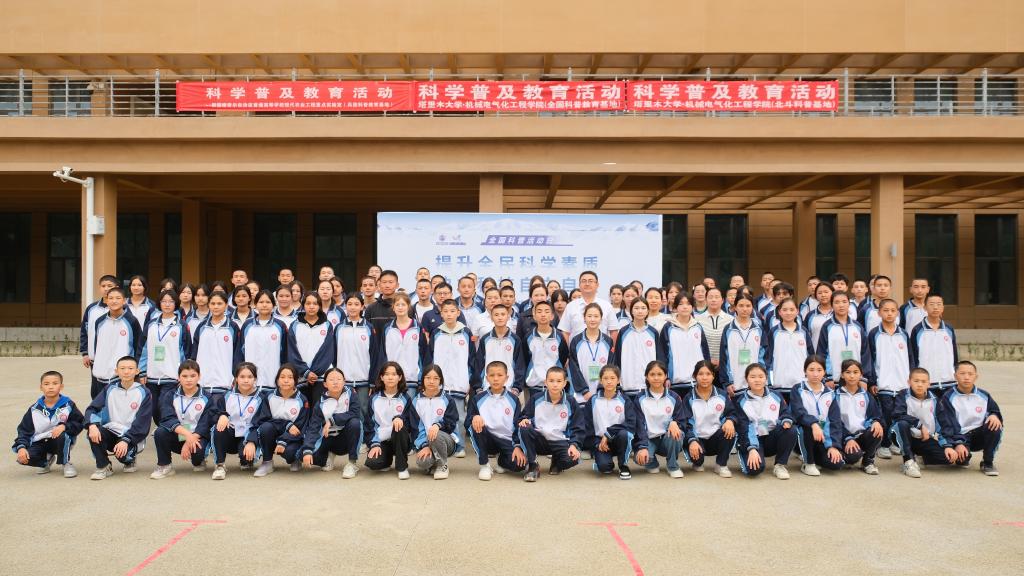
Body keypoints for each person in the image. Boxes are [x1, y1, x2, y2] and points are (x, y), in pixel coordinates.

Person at [85, 356, 153, 480]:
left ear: (137, 371)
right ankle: (104, 466)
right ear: (116, 371)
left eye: (130, 368)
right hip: (111, 431)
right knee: (94, 432)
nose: (126, 371)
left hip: (131, 436)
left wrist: (126, 440)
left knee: (123, 456)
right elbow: (92, 409)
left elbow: (142, 421)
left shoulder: (144, 392)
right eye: (122, 368)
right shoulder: (109, 389)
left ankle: (129, 460)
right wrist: (92, 425)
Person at [150, 360, 217, 479]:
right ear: (178, 377)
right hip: (179, 433)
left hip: (197, 436)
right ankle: (165, 465)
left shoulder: (207, 397)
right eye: (184, 376)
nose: (188, 380)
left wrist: (191, 438)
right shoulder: (170, 395)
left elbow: (206, 422)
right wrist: (187, 435)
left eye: (192, 376)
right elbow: (167, 418)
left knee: (197, 457)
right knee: (160, 432)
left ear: (199, 376)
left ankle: (199, 460)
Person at [12, 370, 84, 478]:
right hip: (40, 442)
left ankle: (66, 463)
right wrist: (21, 447)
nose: (50, 387)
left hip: (60, 440)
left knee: (62, 435)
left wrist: (64, 426)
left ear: (61, 386)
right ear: (41, 387)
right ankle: (45, 461)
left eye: (55, 383)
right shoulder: (34, 409)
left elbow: (79, 422)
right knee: (23, 458)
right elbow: (24, 430)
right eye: (46, 384)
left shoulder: (68, 405)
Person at [517, 366, 584, 481]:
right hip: (540, 440)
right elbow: (524, 416)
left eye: (559, 381)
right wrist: (524, 419)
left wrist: (574, 445)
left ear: (565, 383)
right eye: (551, 381)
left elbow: (578, 426)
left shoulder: (571, 401)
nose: (555, 384)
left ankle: (556, 461)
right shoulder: (536, 398)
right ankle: (533, 465)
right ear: (545, 382)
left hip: (560, 441)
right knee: (524, 427)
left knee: (573, 459)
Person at [937, 361, 1003, 476]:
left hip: (979, 435)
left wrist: (994, 415)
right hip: (960, 436)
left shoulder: (984, 395)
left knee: (995, 426)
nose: (966, 377)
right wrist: (958, 443)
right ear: (955, 376)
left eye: (970, 374)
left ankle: (987, 462)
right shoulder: (948, 397)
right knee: (960, 461)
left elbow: (994, 410)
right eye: (962, 373)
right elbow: (948, 424)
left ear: (976, 376)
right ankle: (965, 455)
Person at [582, 365, 648, 480]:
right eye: (605, 378)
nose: (609, 381)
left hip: (619, 439)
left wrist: (609, 433)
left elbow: (630, 424)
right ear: (600, 380)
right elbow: (587, 427)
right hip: (600, 442)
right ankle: (602, 461)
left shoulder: (625, 400)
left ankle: (623, 466)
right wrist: (596, 444)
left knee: (624, 434)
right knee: (605, 468)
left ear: (618, 380)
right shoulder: (593, 401)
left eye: (612, 378)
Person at [890, 367, 956, 479]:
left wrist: (947, 445)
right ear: (909, 382)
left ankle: (918, 459)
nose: (920, 385)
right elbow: (897, 415)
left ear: (929, 384)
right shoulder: (903, 395)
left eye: (923, 382)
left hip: (924, 438)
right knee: (902, 424)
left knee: (948, 458)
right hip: (903, 435)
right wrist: (919, 425)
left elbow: (944, 424)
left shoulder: (935, 400)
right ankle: (908, 461)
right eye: (916, 381)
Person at [468, 361, 528, 480]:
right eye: (492, 375)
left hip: (507, 440)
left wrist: (517, 446)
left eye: (500, 375)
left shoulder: (514, 399)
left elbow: (517, 424)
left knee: (520, 464)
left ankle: (502, 461)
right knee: (476, 425)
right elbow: (467, 421)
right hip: (487, 439)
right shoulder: (478, 398)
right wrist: (474, 417)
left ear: (507, 378)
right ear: (487, 378)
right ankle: (484, 465)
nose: (496, 379)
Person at [867, 298, 911, 460]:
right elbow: (870, 359)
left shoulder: (903, 334)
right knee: (884, 415)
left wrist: (911, 378)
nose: (889, 314)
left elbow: (910, 358)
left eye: (893, 310)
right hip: (883, 383)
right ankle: (884, 444)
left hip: (902, 383)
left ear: (897, 313)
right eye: (886, 310)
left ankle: (895, 442)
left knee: (899, 414)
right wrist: (872, 381)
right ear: (879, 313)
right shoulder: (874, 334)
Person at [734, 363, 796, 479]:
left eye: (761, 376)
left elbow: (785, 412)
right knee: (754, 470)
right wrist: (752, 448)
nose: (757, 380)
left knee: (791, 430)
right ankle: (745, 451)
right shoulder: (740, 401)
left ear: (766, 378)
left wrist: (786, 421)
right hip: (753, 438)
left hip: (771, 437)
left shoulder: (776, 395)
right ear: (747, 379)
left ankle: (780, 465)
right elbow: (744, 428)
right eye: (753, 377)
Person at [139, 289, 191, 425]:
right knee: (154, 409)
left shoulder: (181, 325)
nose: (167, 304)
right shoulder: (151, 324)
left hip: (172, 376)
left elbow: (186, 352)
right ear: (159, 303)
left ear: (176, 304)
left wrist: (184, 374)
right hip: (152, 375)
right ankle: (163, 429)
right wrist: (142, 371)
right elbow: (143, 349)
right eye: (164, 301)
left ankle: (166, 431)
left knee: (165, 406)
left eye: (171, 301)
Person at [301, 367, 362, 479]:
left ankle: (352, 463)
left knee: (355, 423)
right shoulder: (321, 403)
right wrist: (307, 449)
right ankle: (329, 455)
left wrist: (332, 420)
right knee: (304, 456)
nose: (335, 382)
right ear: (325, 384)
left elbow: (355, 413)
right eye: (331, 379)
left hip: (346, 439)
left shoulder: (351, 394)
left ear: (344, 381)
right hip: (328, 439)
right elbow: (313, 427)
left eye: (338, 379)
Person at [249, 364, 309, 477]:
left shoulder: (302, 400)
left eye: (290, 377)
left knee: (290, 452)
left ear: (295, 380)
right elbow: (263, 420)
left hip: (292, 438)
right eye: (282, 377)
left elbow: (300, 428)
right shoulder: (269, 396)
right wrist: (287, 425)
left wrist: (283, 441)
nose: (286, 380)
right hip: (272, 433)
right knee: (266, 427)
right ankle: (267, 462)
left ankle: (294, 459)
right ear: (277, 380)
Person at [788, 356, 843, 476]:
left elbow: (835, 421)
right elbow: (799, 413)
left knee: (836, 464)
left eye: (819, 370)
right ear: (805, 371)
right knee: (806, 428)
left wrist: (832, 446)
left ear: (824, 372)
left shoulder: (830, 394)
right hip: (803, 434)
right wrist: (813, 423)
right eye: (811, 370)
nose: (815, 374)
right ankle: (808, 463)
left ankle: (815, 456)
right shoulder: (797, 389)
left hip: (823, 437)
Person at [681, 361, 736, 478]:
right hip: (697, 439)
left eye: (708, 374)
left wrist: (730, 420)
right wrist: (692, 440)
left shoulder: (722, 395)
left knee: (730, 430)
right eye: (700, 374)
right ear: (695, 376)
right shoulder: (689, 398)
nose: (704, 377)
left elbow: (731, 413)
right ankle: (697, 461)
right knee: (698, 462)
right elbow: (685, 423)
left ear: (713, 376)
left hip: (716, 437)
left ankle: (721, 464)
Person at [211, 362, 263, 480]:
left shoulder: (260, 399)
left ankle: (245, 460)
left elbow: (259, 423)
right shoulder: (227, 396)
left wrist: (252, 441)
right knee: (218, 427)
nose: (246, 380)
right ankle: (220, 465)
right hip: (230, 433)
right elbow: (213, 414)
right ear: (236, 379)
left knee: (247, 459)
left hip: (247, 435)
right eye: (242, 377)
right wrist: (222, 415)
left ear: (255, 379)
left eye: (250, 377)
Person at [88, 287, 143, 399]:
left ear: (124, 301)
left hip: (122, 374)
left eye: (118, 298)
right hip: (101, 373)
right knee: (99, 404)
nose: (114, 301)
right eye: (111, 298)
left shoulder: (132, 321)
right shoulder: (100, 321)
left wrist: (137, 370)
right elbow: (97, 346)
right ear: (106, 300)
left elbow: (139, 346)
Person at [334, 293, 380, 423]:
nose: (353, 307)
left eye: (356, 304)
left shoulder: (369, 328)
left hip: (363, 379)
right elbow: (334, 354)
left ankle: (363, 435)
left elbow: (374, 355)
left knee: (363, 409)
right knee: (344, 410)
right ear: (345, 306)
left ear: (362, 306)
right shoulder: (339, 328)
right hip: (344, 379)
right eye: (349, 304)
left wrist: (372, 381)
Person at [408, 364, 460, 480]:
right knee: (423, 462)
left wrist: (438, 425)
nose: (431, 381)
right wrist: (425, 445)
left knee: (435, 434)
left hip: (445, 441)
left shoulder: (447, 399)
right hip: (425, 441)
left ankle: (442, 465)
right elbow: (415, 428)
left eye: (436, 378)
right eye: (428, 378)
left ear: (440, 380)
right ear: (423, 379)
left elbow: (451, 422)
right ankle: (433, 463)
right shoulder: (416, 401)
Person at [833, 359, 884, 475]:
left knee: (877, 430)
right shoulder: (835, 396)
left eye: (855, 372)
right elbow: (835, 422)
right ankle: (846, 454)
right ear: (842, 375)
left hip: (862, 435)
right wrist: (848, 438)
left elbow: (875, 415)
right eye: (848, 372)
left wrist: (875, 421)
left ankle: (868, 462)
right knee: (852, 458)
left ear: (861, 375)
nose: (852, 376)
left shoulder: (866, 396)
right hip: (843, 437)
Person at [363, 361, 412, 480]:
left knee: (399, 426)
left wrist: (400, 418)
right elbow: (369, 425)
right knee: (373, 463)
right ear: (381, 377)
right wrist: (374, 444)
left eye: (394, 374)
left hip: (400, 439)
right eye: (386, 374)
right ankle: (386, 459)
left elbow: (410, 422)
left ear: (399, 377)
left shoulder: (405, 398)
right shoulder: (374, 399)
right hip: (382, 440)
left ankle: (402, 467)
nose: (390, 377)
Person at [635, 361, 685, 478]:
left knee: (677, 433)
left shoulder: (674, 397)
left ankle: (673, 466)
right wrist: (642, 447)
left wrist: (674, 423)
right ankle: (651, 462)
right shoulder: (640, 398)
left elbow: (682, 420)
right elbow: (639, 425)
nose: (656, 378)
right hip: (649, 439)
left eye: (660, 374)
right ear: (646, 377)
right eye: (652, 374)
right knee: (640, 459)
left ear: (665, 376)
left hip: (666, 439)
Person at [189, 291, 240, 399]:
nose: (216, 307)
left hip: (225, 384)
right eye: (212, 303)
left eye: (219, 303)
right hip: (202, 384)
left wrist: (235, 376)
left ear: (226, 305)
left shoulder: (233, 327)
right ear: (208, 305)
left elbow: (237, 355)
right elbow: (194, 354)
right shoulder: (202, 327)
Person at [660, 293, 710, 400]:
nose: (685, 307)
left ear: (692, 307)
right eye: (681, 304)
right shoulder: (668, 327)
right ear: (675, 307)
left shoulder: (698, 327)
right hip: (675, 382)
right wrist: (666, 376)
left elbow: (705, 352)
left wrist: (707, 374)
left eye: (688, 304)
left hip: (697, 381)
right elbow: (662, 354)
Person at [238, 290, 289, 395]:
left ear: (274, 305)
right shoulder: (247, 325)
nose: (264, 305)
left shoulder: (280, 326)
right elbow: (240, 352)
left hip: (272, 382)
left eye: (268, 302)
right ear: (255, 305)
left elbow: (285, 353)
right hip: (249, 383)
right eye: (261, 302)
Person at [287, 292, 335, 402]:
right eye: (308, 303)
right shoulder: (295, 325)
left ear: (319, 306)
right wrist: (306, 372)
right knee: (302, 409)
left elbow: (327, 352)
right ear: (303, 305)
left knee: (319, 410)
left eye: (315, 303)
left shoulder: (327, 325)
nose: (311, 306)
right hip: (301, 376)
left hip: (321, 377)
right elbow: (292, 352)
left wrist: (314, 372)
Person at [762, 298, 814, 399]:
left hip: (801, 383)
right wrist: (769, 380)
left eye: (792, 309)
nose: (788, 313)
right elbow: (768, 358)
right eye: (785, 310)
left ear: (797, 311)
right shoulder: (773, 332)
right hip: (779, 383)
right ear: (779, 312)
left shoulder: (803, 332)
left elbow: (810, 356)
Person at [471, 304, 526, 396]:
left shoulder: (515, 340)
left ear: (508, 317)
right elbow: (479, 364)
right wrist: (479, 387)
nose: (500, 318)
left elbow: (519, 365)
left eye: (503, 314)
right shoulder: (485, 339)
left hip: (509, 388)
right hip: (487, 388)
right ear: (491, 318)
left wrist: (516, 388)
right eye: (496, 315)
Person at [910, 294, 959, 396]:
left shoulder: (949, 329)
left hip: (948, 381)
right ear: (925, 307)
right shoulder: (917, 330)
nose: (935, 307)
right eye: (932, 304)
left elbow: (954, 354)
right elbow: (913, 356)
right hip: (926, 383)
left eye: (938, 304)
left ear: (943, 308)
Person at [522, 301, 569, 403]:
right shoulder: (528, 337)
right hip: (534, 384)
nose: (543, 314)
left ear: (552, 316)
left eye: (547, 311)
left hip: (555, 385)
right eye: (539, 311)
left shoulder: (559, 337)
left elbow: (563, 357)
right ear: (534, 316)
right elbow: (525, 359)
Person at [567, 303, 615, 406]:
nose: (592, 319)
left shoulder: (608, 341)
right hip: (582, 396)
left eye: (596, 316)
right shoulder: (576, 341)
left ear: (601, 319)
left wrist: (602, 388)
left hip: (603, 394)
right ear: (584, 318)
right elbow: (574, 368)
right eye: (589, 316)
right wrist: (584, 390)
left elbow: (610, 367)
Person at [817, 291, 868, 386]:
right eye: (837, 302)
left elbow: (865, 353)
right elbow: (822, 353)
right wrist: (827, 377)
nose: (841, 305)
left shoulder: (857, 326)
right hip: (833, 380)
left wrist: (864, 378)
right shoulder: (827, 326)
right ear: (832, 305)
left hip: (856, 379)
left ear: (849, 304)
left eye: (844, 302)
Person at [379, 292, 427, 392]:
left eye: (403, 304)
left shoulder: (417, 327)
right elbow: (383, 354)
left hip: (412, 379)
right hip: (392, 379)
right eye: (397, 305)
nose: (400, 307)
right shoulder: (387, 328)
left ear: (408, 306)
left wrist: (421, 376)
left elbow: (423, 354)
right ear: (393, 307)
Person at [612, 297, 660, 397]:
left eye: (643, 308)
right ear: (631, 311)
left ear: (647, 311)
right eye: (636, 308)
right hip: (628, 385)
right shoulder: (623, 332)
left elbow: (659, 357)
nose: (640, 311)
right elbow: (617, 357)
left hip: (649, 386)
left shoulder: (653, 332)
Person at [719, 295, 764, 398]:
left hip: (756, 384)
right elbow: (724, 357)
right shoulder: (728, 329)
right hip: (735, 384)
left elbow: (764, 356)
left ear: (752, 307)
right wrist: (727, 382)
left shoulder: (759, 329)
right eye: (741, 305)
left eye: (748, 306)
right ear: (735, 307)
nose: (744, 309)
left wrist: (763, 379)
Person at [558, 271, 618, 342]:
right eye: (584, 281)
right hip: (576, 348)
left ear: (597, 285)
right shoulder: (571, 306)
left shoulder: (607, 306)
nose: (587, 284)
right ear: (579, 285)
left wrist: (612, 348)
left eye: (590, 281)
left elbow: (613, 331)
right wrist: (568, 348)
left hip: (602, 348)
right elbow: (565, 332)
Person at [80, 275, 120, 374]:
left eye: (109, 286)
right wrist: (85, 353)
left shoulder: (123, 309)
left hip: (117, 359)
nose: (106, 289)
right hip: (95, 358)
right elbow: (84, 332)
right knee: (96, 383)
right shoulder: (91, 309)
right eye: (103, 286)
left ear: (116, 288)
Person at [695, 287, 733, 372]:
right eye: (710, 297)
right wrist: (708, 360)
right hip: (703, 366)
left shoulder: (731, 320)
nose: (713, 300)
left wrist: (721, 360)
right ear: (706, 300)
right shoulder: (697, 320)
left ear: (722, 300)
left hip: (726, 365)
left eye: (717, 297)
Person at [364, 270, 399, 334]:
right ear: (379, 285)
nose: (387, 285)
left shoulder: (405, 308)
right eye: (384, 282)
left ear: (397, 285)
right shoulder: (371, 308)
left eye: (390, 282)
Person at [803, 282, 834, 353]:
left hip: (836, 354)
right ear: (816, 296)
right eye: (819, 293)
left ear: (833, 293)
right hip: (816, 355)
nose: (823, 295)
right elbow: (805, 336)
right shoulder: (810, 315)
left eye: (826, 292)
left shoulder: (839, 314)